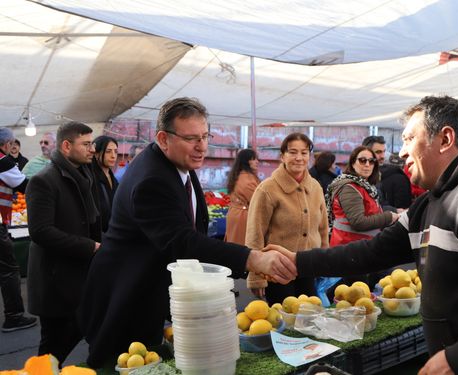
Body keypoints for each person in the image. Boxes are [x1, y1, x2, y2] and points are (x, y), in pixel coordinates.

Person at [268, 95, 458, 375]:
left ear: (445, 139)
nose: (401, 150)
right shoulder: (429, 203)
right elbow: (371, 253)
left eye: (410, 138)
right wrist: (298, 262)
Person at [78, 98, 295, 368]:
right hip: (124, 299)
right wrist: (251, 258)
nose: (202, 146)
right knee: (122, 364)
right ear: (163, 138)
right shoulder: (152, 180)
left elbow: (195, 228)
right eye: (192, 138)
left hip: (154, 294)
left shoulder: (179, 164)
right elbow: (183, 242)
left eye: (205, 136)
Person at [26, 122, 101, 364]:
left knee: (83, 329)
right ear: (67, 146)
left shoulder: (83, 175)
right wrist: (89, 246)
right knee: (51, 352)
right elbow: (40, 231)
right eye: (87, 144)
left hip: (79, 276)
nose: (93, 149)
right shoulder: (43, 180)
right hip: (55, 281)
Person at [245, 132, 328, 305]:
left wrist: (324, 261)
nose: (299, 158)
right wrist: (255, 276)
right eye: (292, 152)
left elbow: (322, 228)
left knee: (309, 316)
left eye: (304, 153)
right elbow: (255, 233)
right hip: (277, 270)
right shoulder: (267, 189)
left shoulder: (315, 187)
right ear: (282, 156)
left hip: (308, 265)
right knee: (284, 321)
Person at [325, 146, 398, 289]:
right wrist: (389, 217)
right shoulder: (349, 187)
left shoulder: (365, 187)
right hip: (350, 253)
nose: (367, 165)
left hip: (362, 251)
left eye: (371, 161)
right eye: (362, 160)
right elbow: (358, 222)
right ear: (353, 163)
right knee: (356, 301)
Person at [0, 129, 36, 333]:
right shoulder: (3, 162)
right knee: (9, 269)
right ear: (6, 144)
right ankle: (13, 317)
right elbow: (25, 185)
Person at [362, 135, 411, 211]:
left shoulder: (398, 179)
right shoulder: (359, 177)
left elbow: (404, 213)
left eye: (384, 151)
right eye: (378, 152)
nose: (382, 156)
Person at [224, 148, 260, 245]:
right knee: (242, 250)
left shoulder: (238, 175)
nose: (257, 162)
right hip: (242, 218)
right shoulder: (248, 179)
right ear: (246, 161)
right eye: (253, 159)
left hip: (235, 214)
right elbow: (259, 202)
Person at [91, 136, 119, 232]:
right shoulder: (90, 179)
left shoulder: (113, 178)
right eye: (108, 151)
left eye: (115, 151)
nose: (113, 156)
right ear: (96, 154)